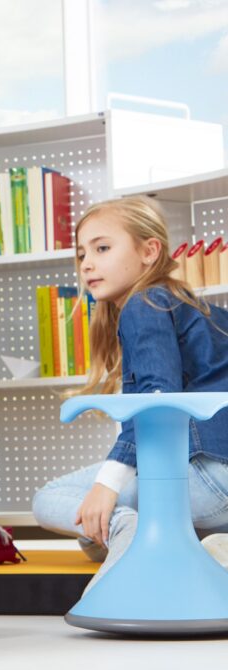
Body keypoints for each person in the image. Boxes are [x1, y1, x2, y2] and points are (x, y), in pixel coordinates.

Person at [32, 197, 228, 589]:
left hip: (205, 478)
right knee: (92, 535)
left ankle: (129, 529)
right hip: (218, 486)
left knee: (52, 498)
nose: (87, 264)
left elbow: (155, 402)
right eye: (82, 254)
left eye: (102, 248)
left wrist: (107, 486)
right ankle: (214, 547)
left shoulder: (144, 303)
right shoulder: (204, 311)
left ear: (149, 251)